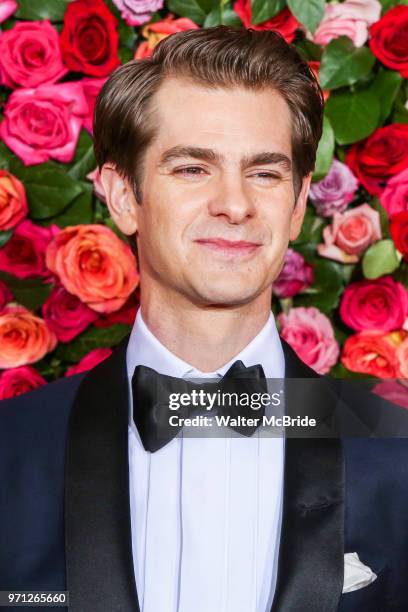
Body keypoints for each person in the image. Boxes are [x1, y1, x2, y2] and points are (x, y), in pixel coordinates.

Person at [0, 26, 407, 612]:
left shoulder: (398, 451)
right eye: (192, 169)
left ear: (297, 206)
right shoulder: (11, 451)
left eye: (265, 173)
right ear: (121, 195)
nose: (235, 204)